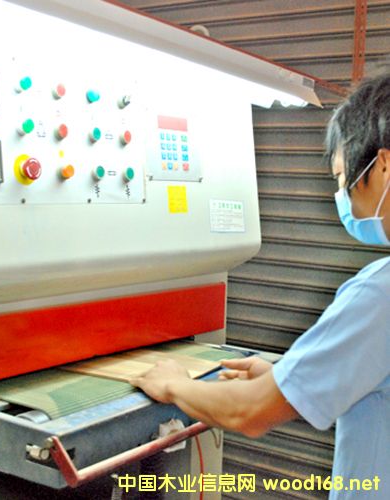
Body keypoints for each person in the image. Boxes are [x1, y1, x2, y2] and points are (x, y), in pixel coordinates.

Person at [131, 73, 390, 499]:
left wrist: (176, 384)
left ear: (381, 166)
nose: (342, 196)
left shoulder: (379, 295)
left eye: (341, 178)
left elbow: (249, 412)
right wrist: (286, 378)